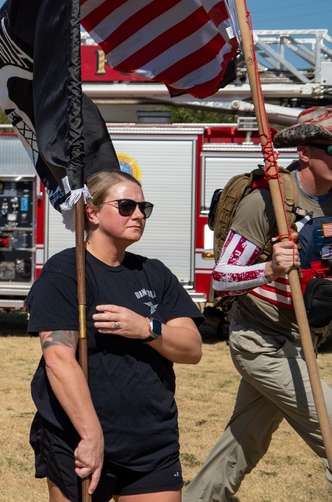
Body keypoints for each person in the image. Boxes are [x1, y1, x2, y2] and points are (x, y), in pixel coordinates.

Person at [26, 169, 203, 502]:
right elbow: (58, 360)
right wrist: (91, 436)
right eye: (125, 206)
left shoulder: (154, 273)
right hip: (78, 438)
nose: (137, 214)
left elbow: (192, 349)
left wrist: (146, 328)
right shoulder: (65, 271)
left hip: (152, 441)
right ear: (91, 212)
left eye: (143, 207)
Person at [185, 106, 332, 501]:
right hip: (261, 343)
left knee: (243, 441)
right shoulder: (266, 201)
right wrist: (269, 268)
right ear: (305, 152)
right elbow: (220, 278)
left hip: (304, 342)